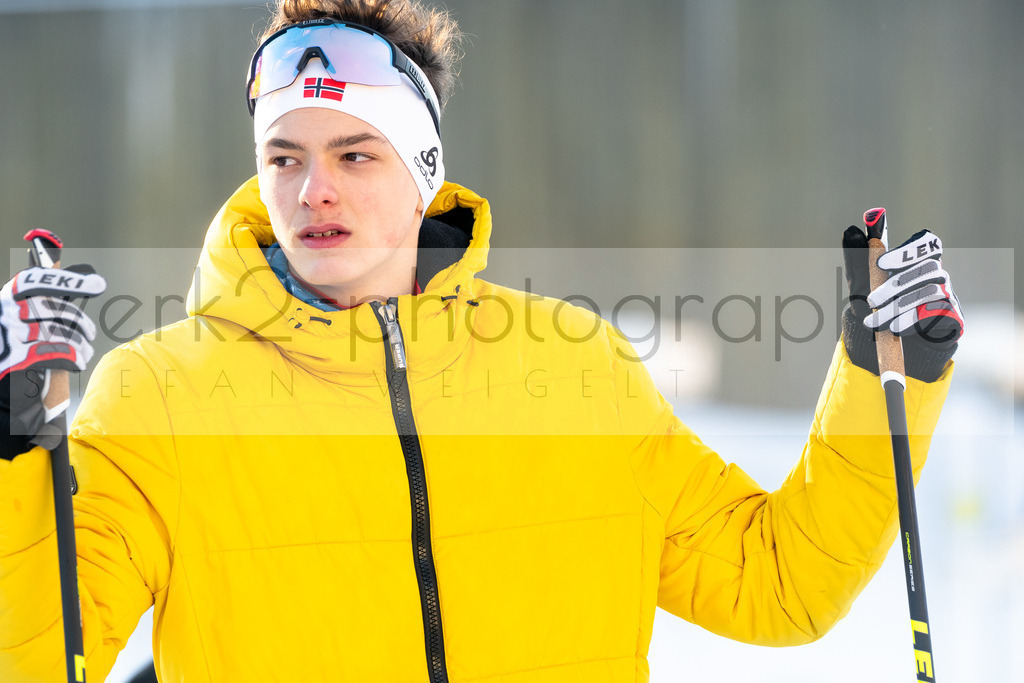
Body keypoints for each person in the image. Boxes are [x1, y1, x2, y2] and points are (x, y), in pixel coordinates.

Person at [0, 0, 965, 681]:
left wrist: (889, 373)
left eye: (353, 154)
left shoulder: (576, 369)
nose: (313, 191)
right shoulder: (160, 394)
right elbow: (42, 655)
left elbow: (779, 583)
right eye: (283, 158)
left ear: (424, 170)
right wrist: (11, 447)